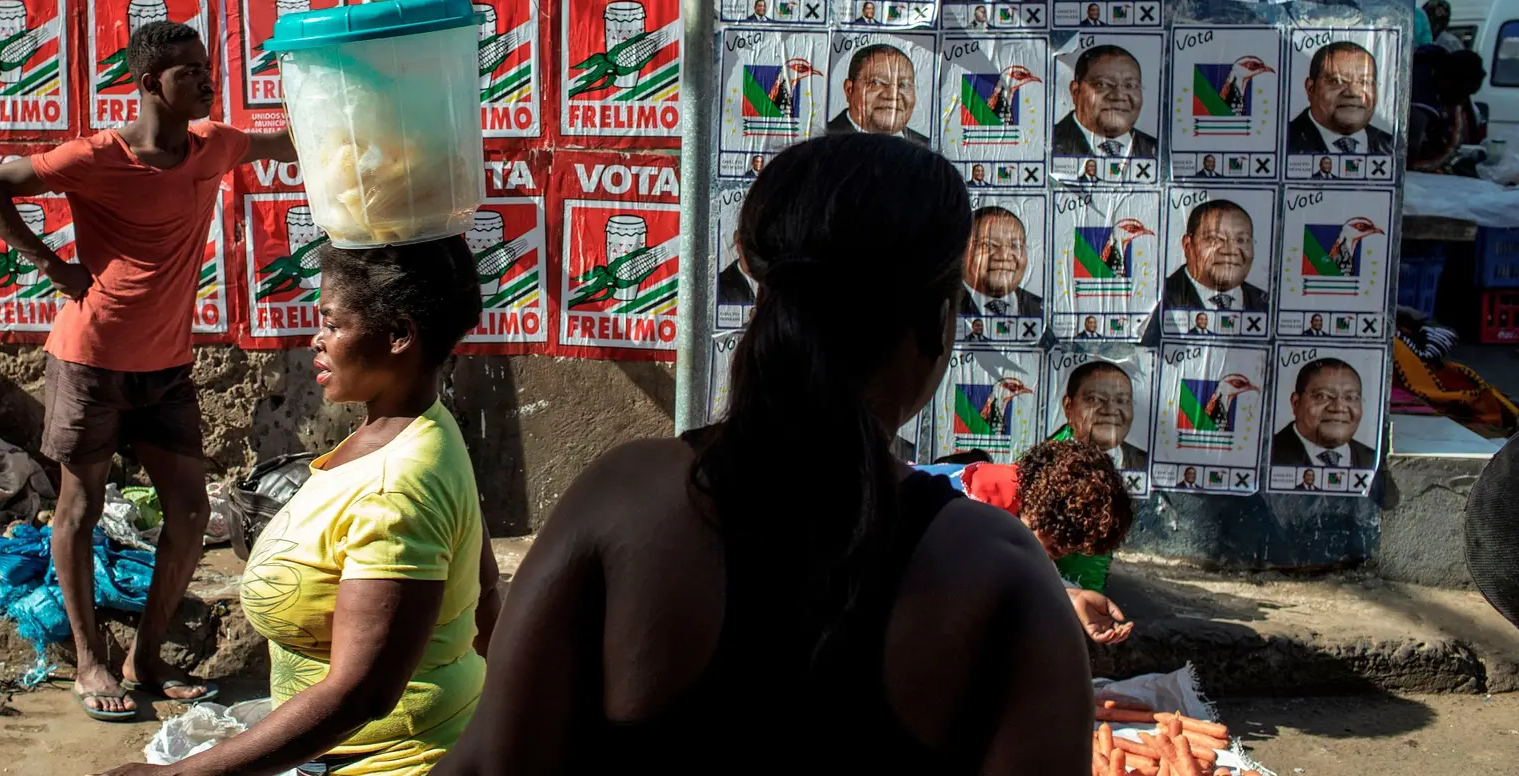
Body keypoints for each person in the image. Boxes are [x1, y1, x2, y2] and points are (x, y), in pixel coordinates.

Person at [436, 135, 1093, 774]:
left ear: (762, 292)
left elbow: (492, 760)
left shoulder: (621, 501)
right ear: (937, 323)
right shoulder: (1000, 575)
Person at [0, 22, 298, 722]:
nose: (206, 81)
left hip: (167, 369)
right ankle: (89, 661)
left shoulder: (215, 146)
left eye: (208, 68)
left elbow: (289, 141)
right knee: (78, 512)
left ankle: (142, 659)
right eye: (188, 72)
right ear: (149, 84)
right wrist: (52, 264)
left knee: (190, 511)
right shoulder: (99, 155)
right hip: (89, 364)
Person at [100, 240, 501, 776]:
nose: (317, 339)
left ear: (400, 335)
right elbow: (485, 585)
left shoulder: (398, 487)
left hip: (387, 763)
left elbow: (361, 695)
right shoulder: (421, 427)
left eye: (333, 325)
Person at [918, 440, 1136, 644]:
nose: (1066, 551)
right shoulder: (976, 511)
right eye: (1058, 543)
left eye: (1076, 546)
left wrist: (1072, 596)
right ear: (1048, 509)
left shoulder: (1020, 494)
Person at [1287, 41, 1395, 155]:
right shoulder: (1280, 140)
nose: (1353, 92)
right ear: (1311, 88)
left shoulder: (1391, 146)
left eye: (1364, 82)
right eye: (1337, 81)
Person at [1164, 198, 1269, 314]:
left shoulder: (1267, 303)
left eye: (1241, 240)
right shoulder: (1160, 297)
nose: (1230, 251)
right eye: (1214, 239)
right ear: (1188, 245)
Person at [1053, 45, 1157, 158]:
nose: (1118, 96)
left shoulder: (1157, 150)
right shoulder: (1046, 145)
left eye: (1130, 85)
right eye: (1102, 84)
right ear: (1075, 91)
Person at [1270, 357, 1375, 470]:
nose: (1339, 407)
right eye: (1322, 396)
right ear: (1296, 403)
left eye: (1350, 397)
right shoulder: (1265, 454)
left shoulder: (1374, 460)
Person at [1049, 361, 1147, 471]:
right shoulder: (1043, 461)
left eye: (1122, 400)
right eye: (1094, 399)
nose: (1110, 410)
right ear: (1068, 406)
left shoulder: (1147, 465)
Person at [828, 43, 929, 144]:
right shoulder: (821, 140)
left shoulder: (928, 148)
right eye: (876, 83)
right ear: (849, 89)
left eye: (904, 85)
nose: (892, 95)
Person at [960, 206, 1043, 317]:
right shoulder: (938, 308)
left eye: (1015, 245)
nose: (1004, 256)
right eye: (988, 244)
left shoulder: (1042, 309)